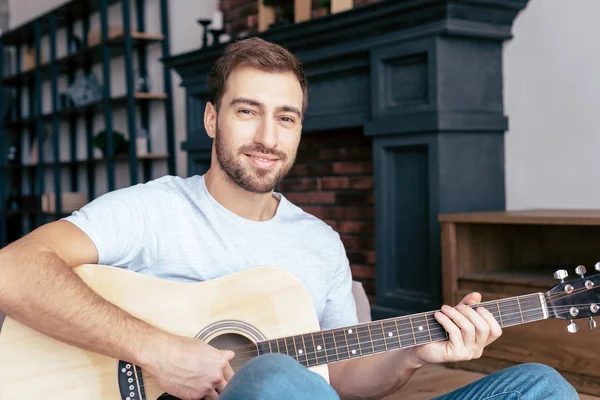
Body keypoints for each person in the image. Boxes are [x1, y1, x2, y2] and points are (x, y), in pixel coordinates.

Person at [0, 37, 578, 400]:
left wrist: (414, 353)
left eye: (287, 118)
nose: (267, 138)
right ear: (210, 119)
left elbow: (343, 381)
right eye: (248, 111)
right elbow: (13, 270)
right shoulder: (154, 208)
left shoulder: (319, 244)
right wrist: (157, 351)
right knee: (270, 375)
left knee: (541, 386)